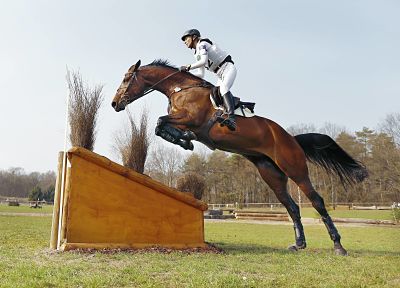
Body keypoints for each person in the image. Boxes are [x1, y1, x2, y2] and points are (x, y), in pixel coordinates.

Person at [180, 29, 237, 131]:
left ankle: (232, 119)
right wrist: (187, 75)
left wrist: (188, 67)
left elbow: (203, 61)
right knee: (213, 97)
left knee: (223, 88)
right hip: (219, 74)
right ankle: (224, 116)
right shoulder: (196, 53)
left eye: (186, 38)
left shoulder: (202, 43)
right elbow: (201, 74)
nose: (184, 42)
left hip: (227, 68)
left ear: (194, 37)